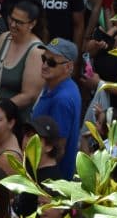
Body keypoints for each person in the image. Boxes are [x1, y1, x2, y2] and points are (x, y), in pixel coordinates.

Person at [33, 39, 84, 180]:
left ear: (68, 67)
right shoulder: (54, 84)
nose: (44, 65)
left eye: (52, 63)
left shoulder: (62, 99)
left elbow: (58, 149)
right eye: (43, 59)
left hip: (48, 180)